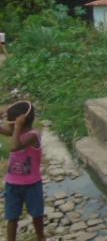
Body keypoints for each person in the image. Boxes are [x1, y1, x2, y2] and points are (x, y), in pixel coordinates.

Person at [0, 101, 46, 241]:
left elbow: (14, 147)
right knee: (11, 216)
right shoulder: (16, 132)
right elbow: (5, 131)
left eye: (10, 122)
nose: (9, 125)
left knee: (37, 214)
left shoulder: (33, 135)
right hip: (12, 184)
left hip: (32, 184)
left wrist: (17, 126)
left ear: (19, 123)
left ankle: (41, 237)